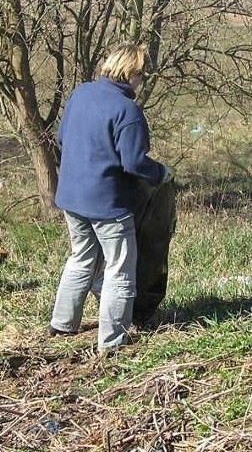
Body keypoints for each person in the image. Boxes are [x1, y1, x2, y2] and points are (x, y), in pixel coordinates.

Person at [49, 43, 173, 351]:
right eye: (141, 74)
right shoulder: (127, 110)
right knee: (120, 271)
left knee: (81, 259)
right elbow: (134, 162)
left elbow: (62, 138)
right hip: (108, 206)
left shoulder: (81, 94)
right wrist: (161, 173)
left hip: (71, 198)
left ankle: (62, 325)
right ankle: (113, 343)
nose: (141, 81)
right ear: (130, 73)